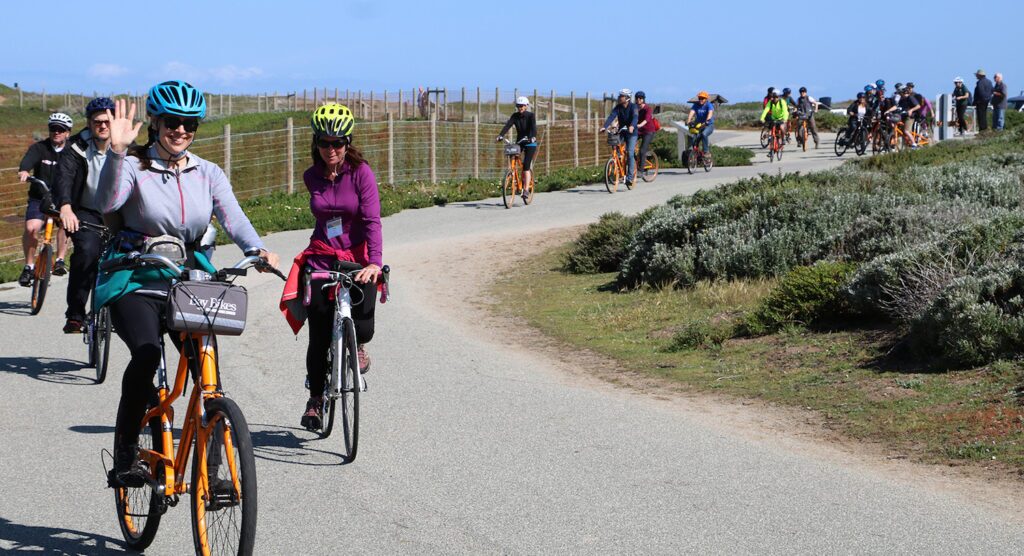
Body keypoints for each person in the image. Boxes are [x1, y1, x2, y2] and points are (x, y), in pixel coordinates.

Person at [96, 83, 280, 487]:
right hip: (136, 278)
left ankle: (211, 476)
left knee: (207, 375)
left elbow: (234, 218)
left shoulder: (207, 172)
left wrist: (258, 249)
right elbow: (107, 203)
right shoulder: (133, 165)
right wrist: (116, 153)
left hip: (188, 281)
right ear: (157, 123)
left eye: (190, 124)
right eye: (173, 122)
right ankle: (126, 455)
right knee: (146, 356)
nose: (181, 131)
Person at [277, 103, 382, 431]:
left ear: (347, 143)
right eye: (325, 142)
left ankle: (358, 344)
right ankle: (316, 400)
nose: (332, 149)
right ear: (316, 143)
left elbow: (372, 219)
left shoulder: (361, 172)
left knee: (363, 328)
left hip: (357, 260)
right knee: (318, 336)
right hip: (322, 258)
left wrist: (375, 263)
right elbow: (325, 219)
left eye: (338, 143)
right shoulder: (312, 176)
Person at [54, 98, 116, 333]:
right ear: (89, 124)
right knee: (86, 253)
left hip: (118, 213)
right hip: (86, 212)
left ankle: (122, 312)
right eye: (97, 122)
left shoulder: (126, 148)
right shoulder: (76, 147)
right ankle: (76, 315)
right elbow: (64, 178)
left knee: (130, 259)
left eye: (107, 121)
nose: (102, 126)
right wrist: (66, 206)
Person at [17, 113, 72, 286]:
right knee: (31, 228)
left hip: (63, 197)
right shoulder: (40, 148)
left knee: (65, 223)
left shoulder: (72, 150)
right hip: (39, 196)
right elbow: (28, 161)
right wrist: (24, 170)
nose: (56, 132)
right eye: (53, 129)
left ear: (68, 133)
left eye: (61, 130)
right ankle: (29, 266)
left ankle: (60, 260)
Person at [497, 96, 538, 196]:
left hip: (530, 142)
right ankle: (512, 173)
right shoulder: (515, 116)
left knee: (526, 166)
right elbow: (508, 125)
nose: (520, 108)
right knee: (513, 155)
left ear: (526, 106)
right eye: (518, 106)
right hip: (520, 141)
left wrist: (532, 137)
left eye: (522, 106)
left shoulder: (531, 116)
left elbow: (533, 128)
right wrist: (501, 135)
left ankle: (526, 190)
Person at [600, 89, 639, 186]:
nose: (619, 98)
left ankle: (630, 178)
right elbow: (611, 116)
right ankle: (618, 169)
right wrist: (604, 127)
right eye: (619, 96)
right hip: (622, 131)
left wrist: (632, 126)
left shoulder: (633, 107)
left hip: (632, 133)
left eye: (621, 96)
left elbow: (635, 117)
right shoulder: (618, 107)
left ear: (627, 98)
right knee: (616, 149)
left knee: (630, 153)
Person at [758, 89, 789, 156]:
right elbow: (766, 110)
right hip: (774, 118)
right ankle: (771, 150)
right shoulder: (770, 102)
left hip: (781, 118)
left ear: (779, 97)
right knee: (771, 133)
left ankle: (783, 139)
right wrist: (762, 118)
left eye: (776, 97)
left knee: (781, 127)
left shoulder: (782, 102)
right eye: (774, 97)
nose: (775, 98)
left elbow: (785, 111)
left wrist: (785, 119)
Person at [634, 91, 656, 176]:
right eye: (637, 98)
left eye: (640, 98)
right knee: (629, 147)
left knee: (642, 150)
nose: (638, 100)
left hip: (648, 131)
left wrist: (639, 125)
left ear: (643, 99)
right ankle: (636, 163)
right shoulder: (634, 108)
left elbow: (646, 119)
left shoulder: (647, 109)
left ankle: (641, 170)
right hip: (638, 130)